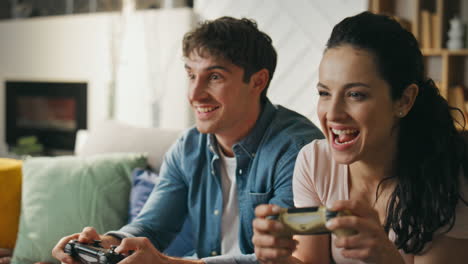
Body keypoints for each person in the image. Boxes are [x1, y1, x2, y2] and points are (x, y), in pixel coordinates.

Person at [52, 16, 323, 264]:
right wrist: (104, 244)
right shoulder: (188, 147)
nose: (195, 94)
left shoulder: (300, 150)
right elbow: (151, 226)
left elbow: (295, 259)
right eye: (191, 75)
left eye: (214, 77)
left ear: (257, 81)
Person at [252, 11, 468, 264]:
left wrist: (386, 258)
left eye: (355, 94)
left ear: (404, 100)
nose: (332, 114)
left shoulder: (450, 174)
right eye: (324, 93)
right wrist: (277, 258)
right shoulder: (315, 163)